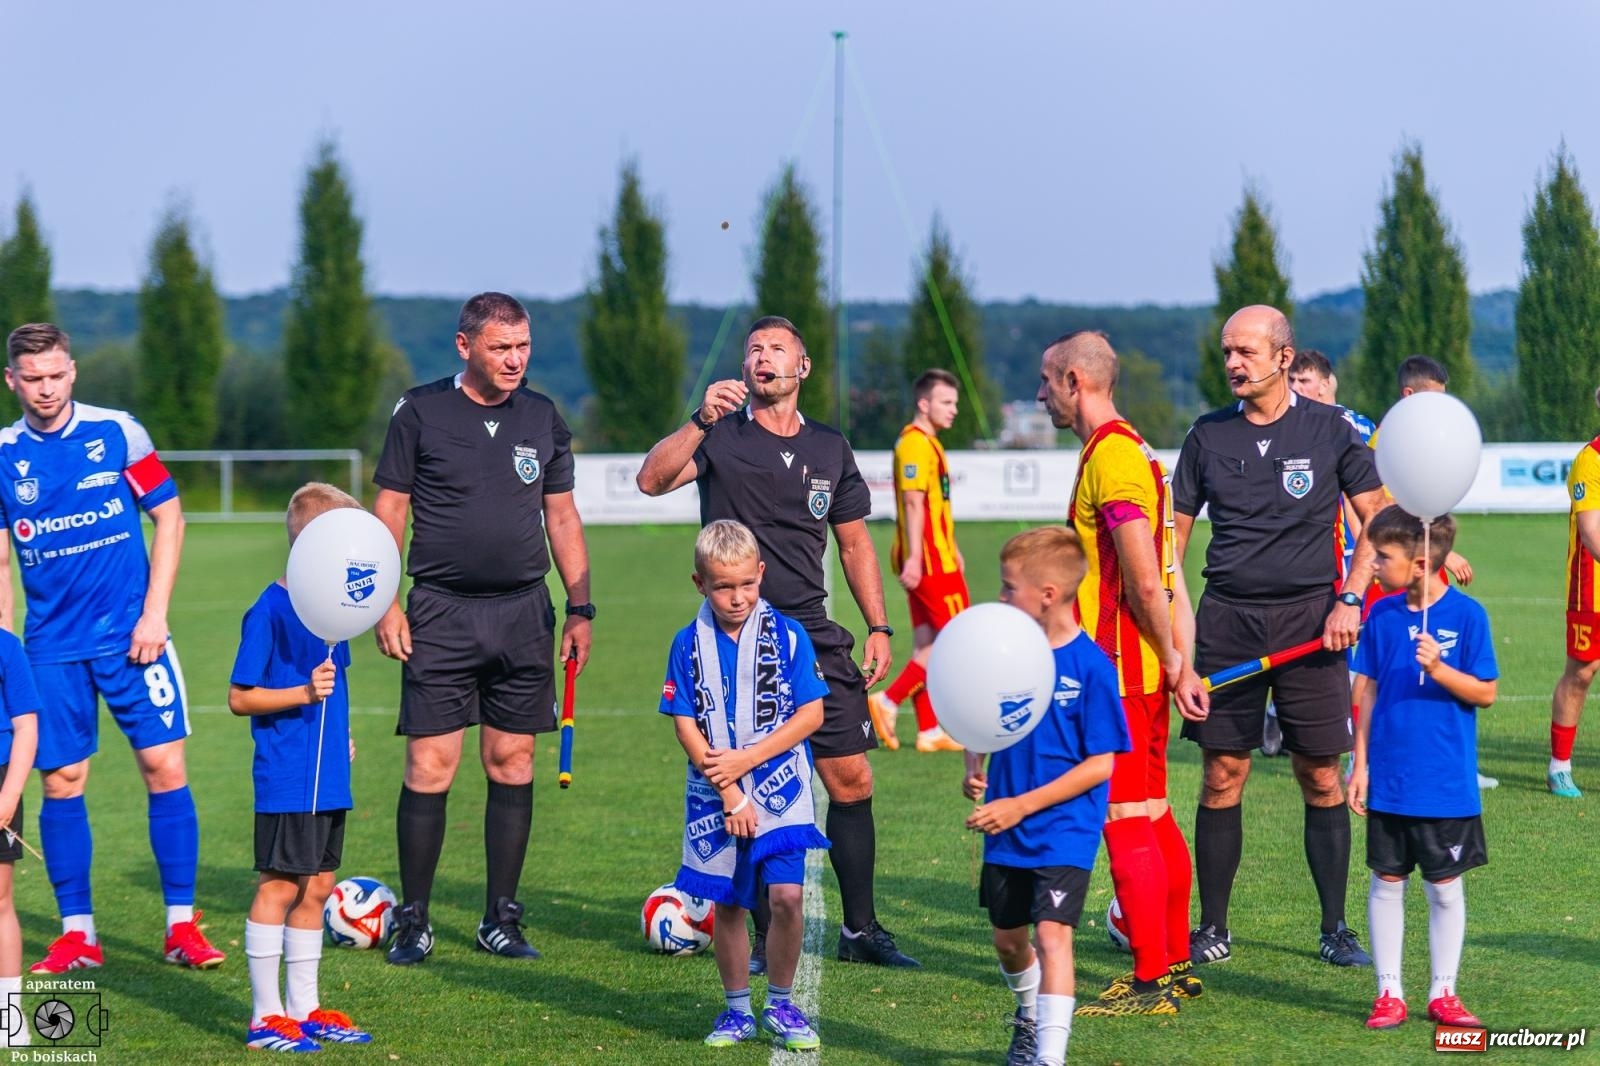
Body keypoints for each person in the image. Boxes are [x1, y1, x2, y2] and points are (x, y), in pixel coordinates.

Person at [637, 315, 916, 971]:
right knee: (754, 786)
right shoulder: (721, 438)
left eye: (777, 349)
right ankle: (764, 938)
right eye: (754, 349)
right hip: (741, 637)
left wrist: (877, 625)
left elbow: (853, 542)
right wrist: (700, 420)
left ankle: (860, 929)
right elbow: (651, 480)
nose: (763, 358)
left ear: (804, 367)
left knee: (852, 778)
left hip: (814, 635)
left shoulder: (829, 448)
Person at [373, 292, 593, 965]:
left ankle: (501, 917)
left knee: (513, 760)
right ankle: (412, 919)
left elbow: (561, 517)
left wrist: (581, 607)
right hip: (439, 611)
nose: (515, 360)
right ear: (465, 346)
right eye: (502, 348)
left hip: (524, 612)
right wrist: (385, 602)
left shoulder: (542, 417)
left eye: (523, 346)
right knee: (430, 765)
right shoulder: (420, 411)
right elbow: (390, 508)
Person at [0, 323, 223, 975]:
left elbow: (171, 516)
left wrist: (155, 614)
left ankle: (181, 928)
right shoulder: (4, 455)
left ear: (73, 372)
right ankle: (79, 936)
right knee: (62, 780)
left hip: (134, 637)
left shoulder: (118, 433)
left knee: (164, 768)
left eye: (56, 375)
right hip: (49, 648)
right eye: (32, 378)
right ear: (12, 381)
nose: (46, 389)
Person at [1171, 304, 1387, 968]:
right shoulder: (1206, 437)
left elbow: (1377, 521)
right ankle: (1212, 928)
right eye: (1228, 351)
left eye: (1247, 351)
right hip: (1228, 623)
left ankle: (1334, 928)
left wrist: (1350, 596)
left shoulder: (1331, 431)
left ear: (1284, 358)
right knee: (1222, 774)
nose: (1233, 362)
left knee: (1321, 776)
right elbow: (1169, 551)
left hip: (1312, 626)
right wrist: (1181, 647)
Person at [1035, 331, 1207, 1013]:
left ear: (1076, 380)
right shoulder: (1133, 448)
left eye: (1048, 381)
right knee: (1156, 813)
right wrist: (1176, 658)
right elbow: (1168, 573)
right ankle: (1172, 959)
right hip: (1142, 668)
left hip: (1118, 672)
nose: (1042, 394)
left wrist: (1169, 658)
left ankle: (1149, 980)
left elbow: (1143, 574)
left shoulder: (1112, 456)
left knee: (1126, 817)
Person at [963, 526, 1132, 1066]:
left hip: (1064, 830)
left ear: (1048, 594)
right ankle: (1028, 1015)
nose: (1001, 598)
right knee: (1008, 940)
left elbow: (1100, 764)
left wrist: (1023, 804)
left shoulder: (1092, 668)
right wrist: (975, 762)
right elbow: (983, 716)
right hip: (1005, 827)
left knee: (1055, 937)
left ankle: (1049, 1057)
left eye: (1009, 588)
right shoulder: (1007, 655)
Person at [661, 520, 830, 1051]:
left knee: (786, 897)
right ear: (700, 584)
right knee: (730, 905)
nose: (737, 598)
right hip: (715, 793)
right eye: (722, 587)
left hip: (780, 785)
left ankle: (780, 1002)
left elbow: (812, 713)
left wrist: (749, 761)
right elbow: (684, 721)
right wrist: (730, 790)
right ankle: (737, 1010)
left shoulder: (787, 635)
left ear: (761, 574)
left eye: (746, 585)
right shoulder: (688, 643)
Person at [230, 483, 372, 1052]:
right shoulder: (267, 609)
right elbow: (241, 697)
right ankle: (266, 1018)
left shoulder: (335, 612)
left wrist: (343, 737)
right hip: (287, 774)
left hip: (329, 774)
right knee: (281, 885)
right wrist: (300, 693)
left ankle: (305, 1010)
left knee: (317, 887)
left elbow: (335, 693)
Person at [1348, 506, 1497, 1031]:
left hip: (1445, 781)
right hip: (1389, 778)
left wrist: (1439, 668)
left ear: (1418, 564)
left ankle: (1444, 992)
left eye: (1381, 557)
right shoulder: (1382, 616)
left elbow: (1486, 693)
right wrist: (1359, 763)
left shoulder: (1469, 616)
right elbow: (1364, 693)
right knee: (1387, 879)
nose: (1371, 564)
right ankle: (1389, 992)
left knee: (1442, 885)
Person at [1366, 356, 1491, 789]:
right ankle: (1364, 759)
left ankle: (1451, 757)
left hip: (1419, 562)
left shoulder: (1425, 436)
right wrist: (1437, 555)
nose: (1441, 410)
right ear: (1409, 395)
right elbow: (1388, 516)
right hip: (1394, 568)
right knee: (1382, 669)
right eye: (1434, 399)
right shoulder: (1387, 442)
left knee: (1438, 658)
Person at [869, 367, 968, 753]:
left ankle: (928, 730)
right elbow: (912, 503)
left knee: (927, 643)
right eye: (946, 402)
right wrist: (914, 558)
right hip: (930, 563)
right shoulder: (914, 444)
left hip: (937, 555)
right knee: (955, 641)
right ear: (923, 404)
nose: (953, 410)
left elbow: (935, 503)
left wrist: (953, 544)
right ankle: (888, 700)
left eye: (955, 403)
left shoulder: (930, 443)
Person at [1547, 387, 1600, 799]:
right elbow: (1591, 532)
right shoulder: (1590, 460)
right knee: (1582, 671)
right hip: (1591, 586)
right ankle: (1559, 765)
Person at [0, 627, 38, 1049]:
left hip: (1, 783)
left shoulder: (7, 648)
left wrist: (9, 795)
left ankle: (9, 1015)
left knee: (0, 899)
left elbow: (26, 725)